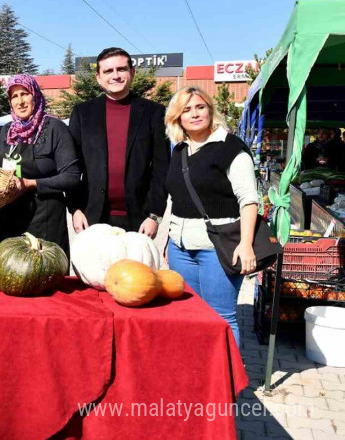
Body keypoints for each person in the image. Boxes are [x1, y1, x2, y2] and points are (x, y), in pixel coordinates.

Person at [164, 86, 259, 348]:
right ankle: (200, 378)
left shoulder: (231, 148)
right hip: (180, 248)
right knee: (190, 315)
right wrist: (168, 242)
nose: (194, 114)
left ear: (210, 110)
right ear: (177, 118)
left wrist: (246, 244)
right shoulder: (180, 150)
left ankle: (229, 386)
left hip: (217, 248)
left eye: (200, 107)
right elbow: (178, 199)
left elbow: (249, 200)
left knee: (221, 317)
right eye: (186, 110)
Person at [68, 47, 170, 237]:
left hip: (139, 220)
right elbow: (72, 167)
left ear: (132, 72)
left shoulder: (153, 113)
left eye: (121, 69)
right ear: (98, 77)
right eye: (108, 71)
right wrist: (75, 209)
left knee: (136, 268)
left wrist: (154, 215)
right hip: (92, 217)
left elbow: (161, 168)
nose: (115, 75)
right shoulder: (82, 113)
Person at [0, 74, 81, 256]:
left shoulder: (55, 128)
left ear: (36, 95)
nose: (20, 101)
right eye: (14, 96)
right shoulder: (6, 131)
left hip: (45, 219)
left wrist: (31, 183)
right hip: (8, 216)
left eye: (25, 94)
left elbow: (72, 176)